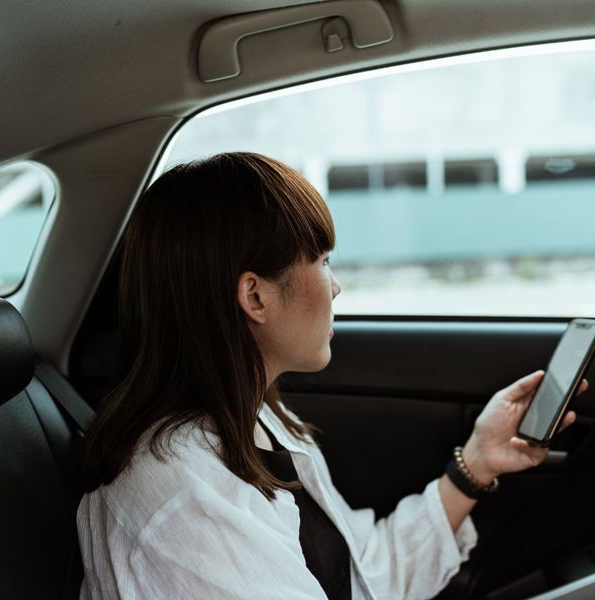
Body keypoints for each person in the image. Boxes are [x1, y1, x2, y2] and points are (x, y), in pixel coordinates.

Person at [77, 152, 581, 600]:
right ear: (255, 297)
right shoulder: (184, 498)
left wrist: (475, 462)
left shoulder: (257, 422)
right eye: (321, 260)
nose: (335, 287)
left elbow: (364, 575)